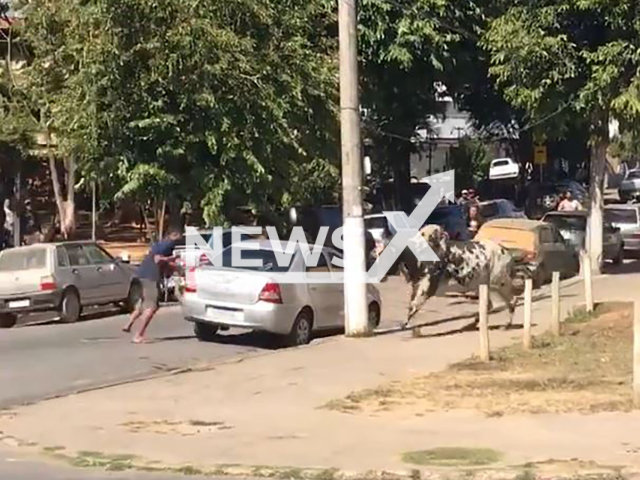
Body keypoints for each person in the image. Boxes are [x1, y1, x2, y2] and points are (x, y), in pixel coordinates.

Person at [123, 227, 182, 343]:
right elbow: (157, 260)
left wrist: (173, 267)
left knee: (144, 304)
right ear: (172, 236)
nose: (179, 239)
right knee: (152, 307)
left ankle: (128, 324)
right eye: (178, 237)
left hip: (142, 275)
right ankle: (138, 335)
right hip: (151, 277)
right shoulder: (168, 245)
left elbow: (161, 262)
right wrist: (173, 258)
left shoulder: (160, 244)